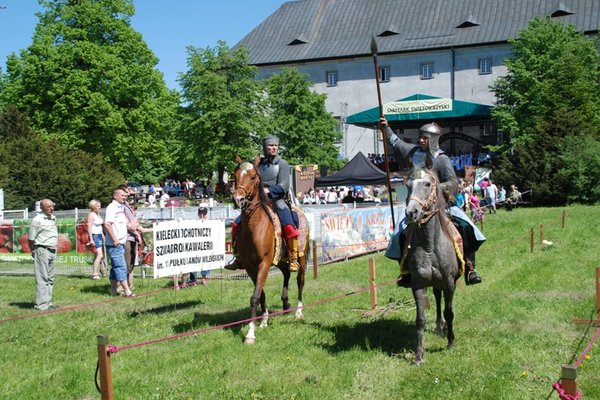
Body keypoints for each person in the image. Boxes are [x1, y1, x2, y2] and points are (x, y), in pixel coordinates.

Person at [380, 117, 484, 286]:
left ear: (433, 140)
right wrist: (386, 128)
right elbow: (396, 142)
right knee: (399, 232)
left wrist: (435, 188)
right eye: (420, 137)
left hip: (441, 206)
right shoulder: (414, 152)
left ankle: (470, 268)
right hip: (416, 204)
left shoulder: (441, 159)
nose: (421, 140)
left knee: (466, 227)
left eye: (425, 138)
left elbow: (453, 183)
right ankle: (406, 271)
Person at [225, 135, 301, 272]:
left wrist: (269, 190)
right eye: (270, 146)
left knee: (289, 226)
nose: (273, 148)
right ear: (265, 148)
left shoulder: (282, 164)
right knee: (237, 224)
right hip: (258, 201)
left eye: (275, 146)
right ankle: (238, 256)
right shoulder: (258, 165)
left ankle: (293, 257)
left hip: (277, 200)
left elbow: (284, 186)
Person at [28, 199, 58, 310]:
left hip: (52, 250)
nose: (52, 208)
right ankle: (41, 305)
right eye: (49, 207)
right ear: (42, 208)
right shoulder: (37, 220)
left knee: (50, 278)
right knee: (42, 278)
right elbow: (31, 238)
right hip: (42, 250)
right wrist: (34, 250)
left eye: (52, 206)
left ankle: (48, 302)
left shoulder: (53, 218)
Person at [105, 187, 135, 297]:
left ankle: (113, 291)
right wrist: (115, 240)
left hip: (120, 242)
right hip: (115, 244)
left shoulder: (121, 207)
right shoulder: (112, 207)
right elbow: (108, 224)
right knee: (121, 267)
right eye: (122, 195)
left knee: (114, 268)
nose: (125, 197)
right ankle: (127, 291)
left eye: (126, 196)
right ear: (115, 196)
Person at [86, 199, 105, 279]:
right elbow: (89, 227)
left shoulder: (98, 214)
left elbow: (100, 226)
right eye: (97, 206)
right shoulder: (91, 214)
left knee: (97, 255)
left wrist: (103, 235)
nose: (99, 207)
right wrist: (91, 239)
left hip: (99, 235)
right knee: (100, 255)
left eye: (100, 205)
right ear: (93, 206)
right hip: (94, 236)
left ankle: (95, 272)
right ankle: (95, 273)